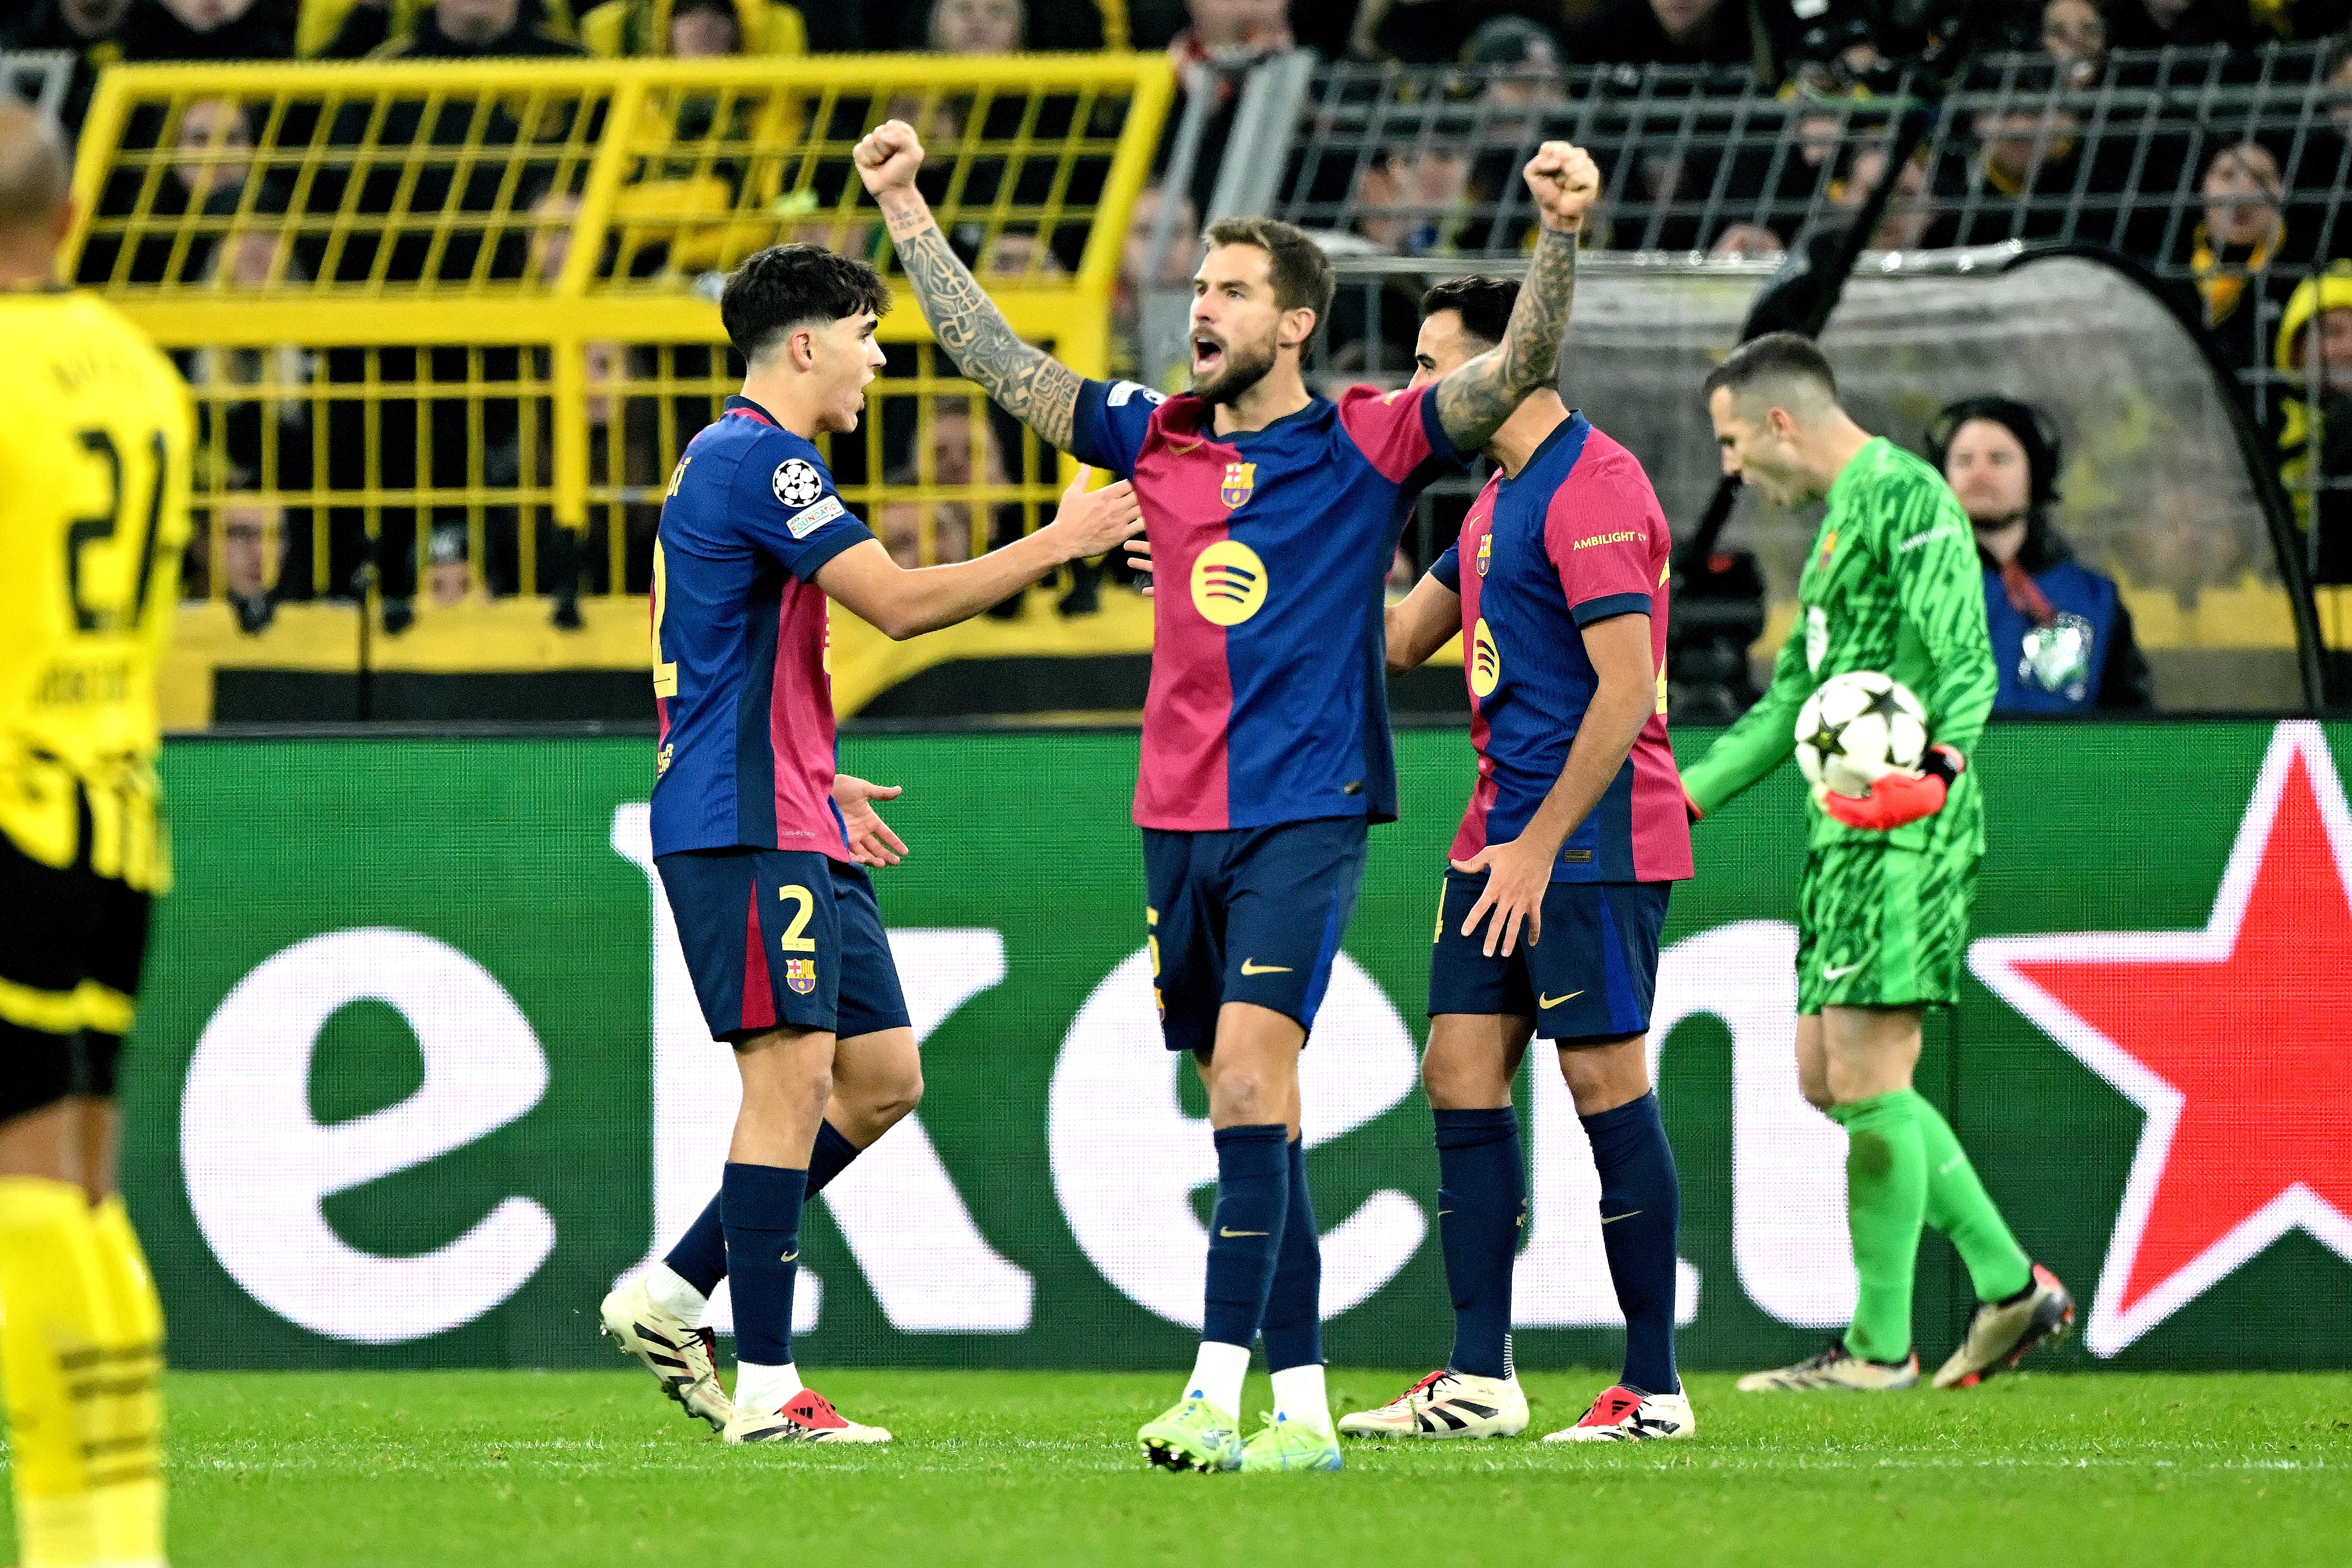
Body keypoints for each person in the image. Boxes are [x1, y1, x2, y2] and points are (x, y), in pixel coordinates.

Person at [855, 114, 1596, 1472]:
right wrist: (905, 207)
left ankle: (1213, 1388)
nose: (1201, 304)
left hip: (1304, 808)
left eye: (1232, 289)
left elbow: (1515, 375)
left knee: (1254, 1074)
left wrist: (1557, 239)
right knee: (1250, 1105)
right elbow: (997, 362)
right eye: (1198, 285)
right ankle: (1304, 1412)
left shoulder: (1368, 445)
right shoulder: (1153, 437)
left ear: (1296, 324)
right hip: (1172, 816)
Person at [594, 243, 1142, 1444]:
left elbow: (721, 651)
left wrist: (813, 763)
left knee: (883, 1076)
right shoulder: (762, 458)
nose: (879, 356)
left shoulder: (723, 462)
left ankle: (675, 1291)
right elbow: (892, 601)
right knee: (788, 1081)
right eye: (864, 331)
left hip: (790, 805)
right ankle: (767, 1387)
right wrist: (1062, 539)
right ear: (805, 345)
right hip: (744, 825)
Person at [1682, 333, 2075, 1393]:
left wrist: (1934, 774)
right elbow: (1789, 705)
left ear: (1778, 423)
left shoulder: (1906, 497)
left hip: (1905, 825)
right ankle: (2004, 1285)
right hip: (1845, 833)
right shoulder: (1836, 531)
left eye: (1730, 441)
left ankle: (1877, 1348)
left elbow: (1964, 659)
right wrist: (1684, 797)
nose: (1729, 468)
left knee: (1864, 1077)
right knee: (1827, 1077)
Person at [1344, 276, 1697, 1445]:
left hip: (1581, 834)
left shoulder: (1595, 483)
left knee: (1601, 1082)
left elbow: (1627, 687)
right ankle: (1479, 1374)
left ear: (1503, 364)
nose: (1413, 389)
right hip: (1495, 833)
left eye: (1430, 364)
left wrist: (1541, 846)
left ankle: (1651, 1385)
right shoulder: (1494, 498)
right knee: (1457, 1067)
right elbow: (1397, 639)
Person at [0, 101, 187, 1568]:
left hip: (4, 808)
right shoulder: (140, 373)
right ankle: (107, 1541)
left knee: (22, 1202)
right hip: (112, 823)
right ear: (66, 215)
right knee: (76, 1190)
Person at [1929, 396, 2153, 712]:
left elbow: (2131, 728)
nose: (1978, 474)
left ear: (2036, 473)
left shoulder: (2094, 600)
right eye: (1964, 461)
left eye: (1999, 459)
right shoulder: (1914, 590)